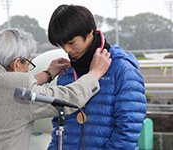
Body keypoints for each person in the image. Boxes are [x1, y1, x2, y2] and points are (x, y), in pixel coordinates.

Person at [0, 28, 111, 150]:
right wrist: (95, 73)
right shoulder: (19, 92)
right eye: (28, 63)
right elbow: (68, 98)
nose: (28, 70)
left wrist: (47, 74)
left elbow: (6, 83)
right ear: (16, 64)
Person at [47, 4, 147, 150]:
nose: (67, 50)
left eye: (71, 42)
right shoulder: (67, 71)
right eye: (61, 44)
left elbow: (128, 130)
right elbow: (59, 124)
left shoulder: (122, 68)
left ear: (89, 33)